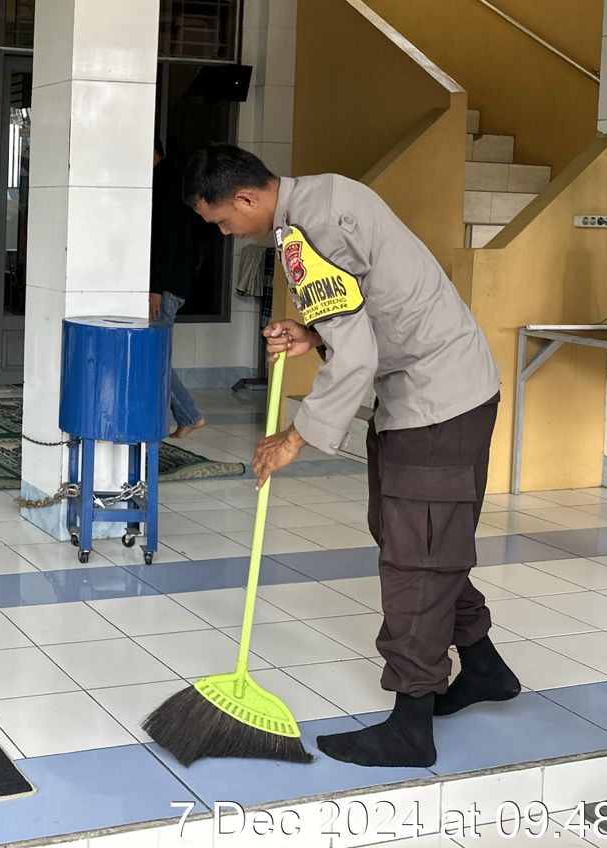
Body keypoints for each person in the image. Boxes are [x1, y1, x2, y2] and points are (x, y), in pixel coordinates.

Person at [182, 145, 520, 770]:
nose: (227, 234)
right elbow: (368, 311)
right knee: (412, 537)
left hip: (437, 401)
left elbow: (358, 356)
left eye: (224, 222)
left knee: (415, 556)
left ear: (248, 199)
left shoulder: (307, 235)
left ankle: (411, 724)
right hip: (428, 391)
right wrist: (314, 334)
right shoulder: (328, 192)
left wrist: (295, 437)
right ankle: (483, 666)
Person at [149, 138, 205, 437]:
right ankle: (186, 415)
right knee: (156, 354)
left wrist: (157, 288)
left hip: (168, 284)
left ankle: (190, 414)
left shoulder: (168, 181)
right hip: (171, 281)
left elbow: (168, 241)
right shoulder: (169, 178)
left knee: (155, 355)